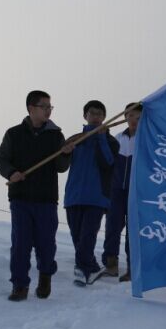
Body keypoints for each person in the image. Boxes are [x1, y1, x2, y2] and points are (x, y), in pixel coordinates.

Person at [0, 90, 73, 301]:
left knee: (46, 243)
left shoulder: (56, 135)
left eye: (50, 107)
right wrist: (11, 173)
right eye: (44, 106)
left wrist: (66, 154)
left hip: (46, 198)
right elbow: (0, 160)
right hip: (20, 197)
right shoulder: (14, 134)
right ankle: (19, 285)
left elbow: (61, 167)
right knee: (21, 243)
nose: (48, 110)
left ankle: (45, 276)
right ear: (31, 108)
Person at [63, 100, 120, 286]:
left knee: (87, 236)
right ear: (85, 115)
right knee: (77, 238)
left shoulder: (111, 142)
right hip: (73, 196)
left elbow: (108, 163)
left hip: (97, 197)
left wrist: (101, 138)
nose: (96, 117)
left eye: (100, 114)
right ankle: (93, 267)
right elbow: (61, 166)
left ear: (104, 117)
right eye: (92, 113)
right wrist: (65, 152)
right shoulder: (75, 139)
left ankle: (82, 272)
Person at [102, 102, 142, 281]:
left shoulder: (146, 139)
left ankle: (132, 269)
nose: (134, 120)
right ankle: (111, 264)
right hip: (116, 190)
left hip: (137, 192)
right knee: (112, 226)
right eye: (130, 116)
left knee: (134, 230)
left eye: (138, 117)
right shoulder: (117, 139)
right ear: (125, 117)